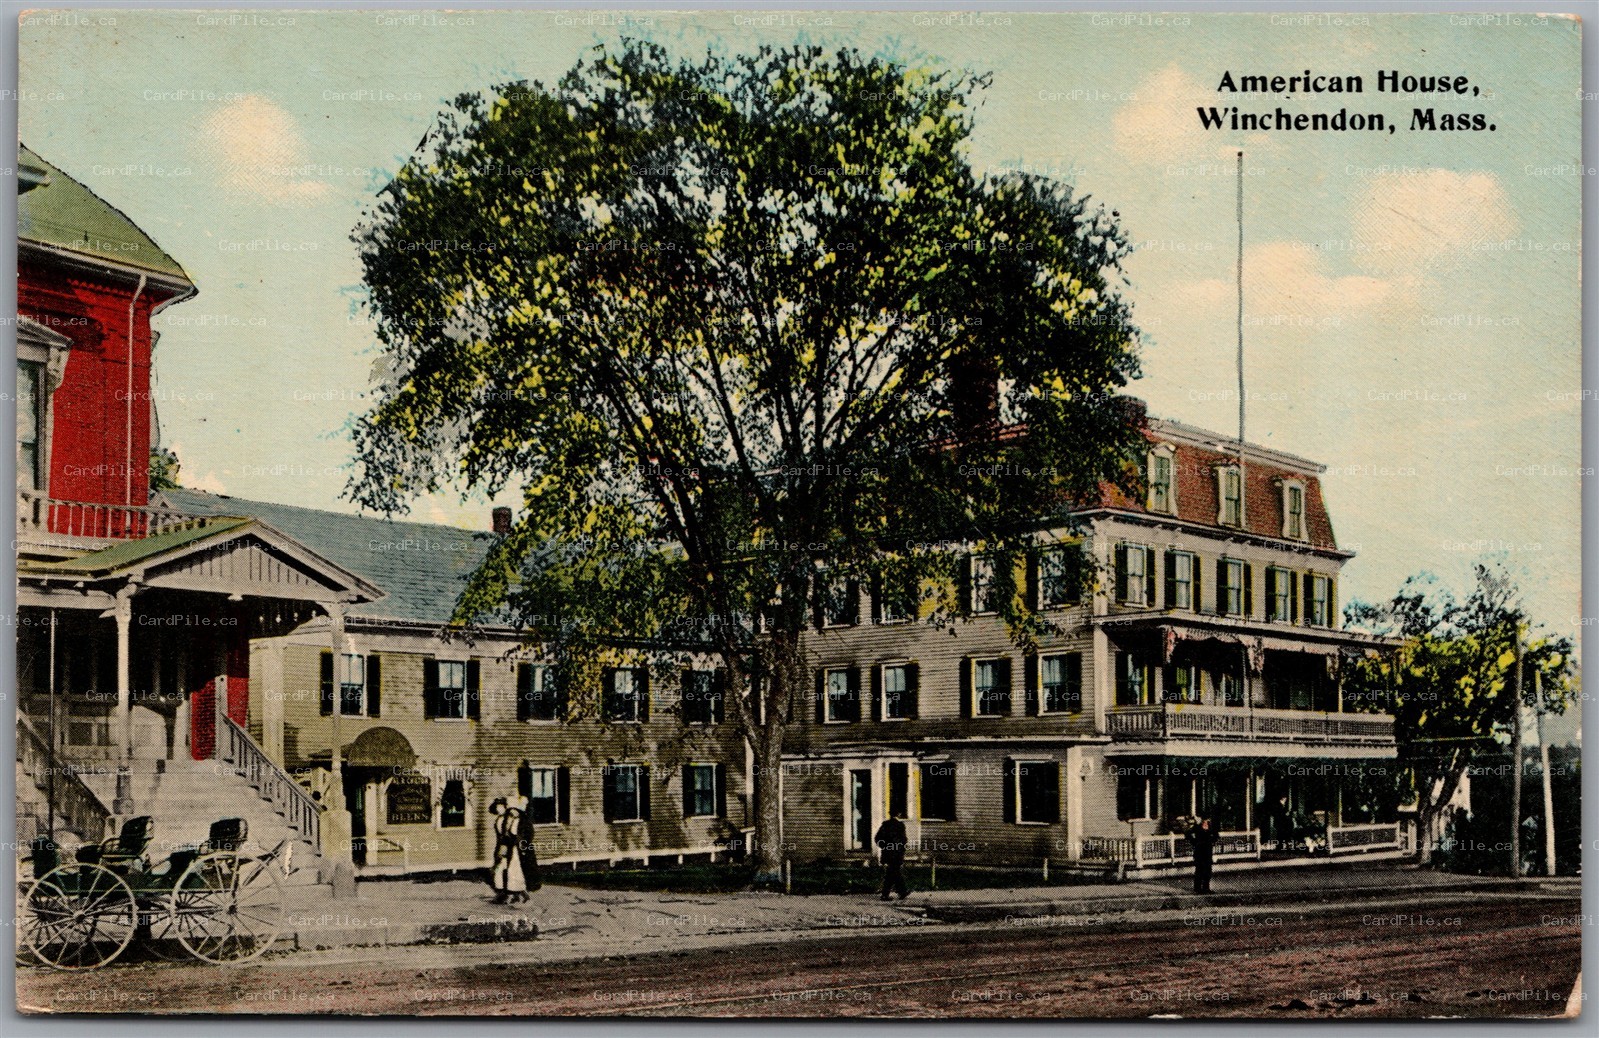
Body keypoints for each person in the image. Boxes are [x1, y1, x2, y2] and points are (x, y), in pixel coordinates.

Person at [488, 797, 529, 905]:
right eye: (497, 807)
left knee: (513, 870)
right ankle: (503, 894)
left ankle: (518, 894)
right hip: (503, 846)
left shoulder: (510, 819)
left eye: (501, 807)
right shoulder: (500, 819)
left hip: (510, 847)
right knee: (500, 870)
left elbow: (512, 833)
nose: (499, 809)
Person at [874, 812, 910, 901]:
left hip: (887, 853)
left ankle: (902, 892)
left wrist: (885, 846)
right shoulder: (900, 825)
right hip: (897, 853)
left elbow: (877, 838)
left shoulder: (885, 825)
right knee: (892, 873)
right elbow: (903, 840)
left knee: (893, 872)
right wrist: (902, 849)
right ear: (899, 814)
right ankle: (886, 894)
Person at [514, 795, 542, 894]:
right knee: (525, 865)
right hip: (522, 843)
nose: (523, 805)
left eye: (525, 803)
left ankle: (533, 885)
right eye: (522, 803)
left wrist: (525, 843)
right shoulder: (519, 816)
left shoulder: (525, 816)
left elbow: (529, 832)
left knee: (529, 864)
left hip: (526, 844)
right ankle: (528, 884)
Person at [1188, 816, 1217, 894]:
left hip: (1207, 851)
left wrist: (1212, 841)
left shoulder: (1210, 828)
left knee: (1207, 871)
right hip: (1199, 851)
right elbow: (1188, 834)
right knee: (1199, 870)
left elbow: (1216, 836)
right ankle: (1197, 888)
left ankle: (1206, 888)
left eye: (1207, 819)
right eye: (1204, 819)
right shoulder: (1197, 827)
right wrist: (1194, 842)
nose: (1206, 821)